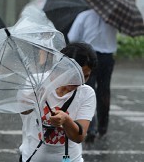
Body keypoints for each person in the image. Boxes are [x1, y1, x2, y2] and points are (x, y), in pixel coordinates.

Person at [18, 42, 98, 162]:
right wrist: (35, 94)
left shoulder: (86, 93)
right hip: (31, 157)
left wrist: (66, 120)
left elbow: (79, 136)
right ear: (64, 66)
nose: (80, 82)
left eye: (85, 77)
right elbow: (24, 110)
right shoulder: (36, 82)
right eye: (76, 75)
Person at [68, 9, 117, 142]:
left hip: (88, 56)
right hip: (107, 58)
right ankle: (103, 127)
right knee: (104, 91)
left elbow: (73, 37)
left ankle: (91, 127)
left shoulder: (84, 16)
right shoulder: (113, 18)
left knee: (88, 89)